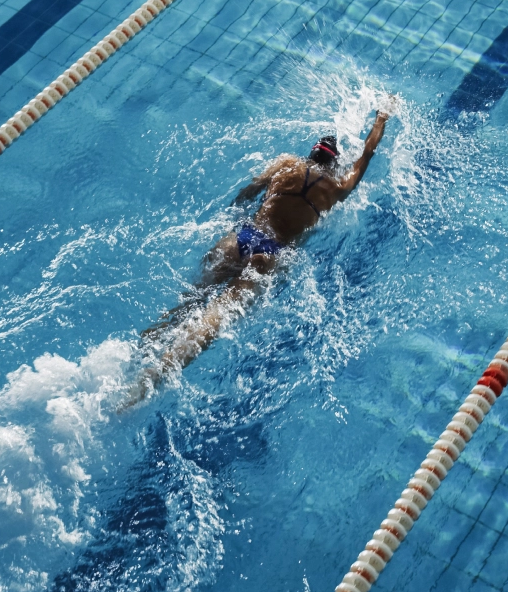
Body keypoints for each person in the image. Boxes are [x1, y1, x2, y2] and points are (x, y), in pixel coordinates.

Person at [121, 103, 395, 409]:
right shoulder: (338, 187)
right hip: (269, 253)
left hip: (241, 239)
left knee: (193, 299)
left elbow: (247, 193)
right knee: (213, 320)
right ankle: (155, 376)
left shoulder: (286, 164)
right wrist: (382, 116)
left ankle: (143, 346)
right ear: (333, 164)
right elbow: (368, 153)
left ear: (310, 154)